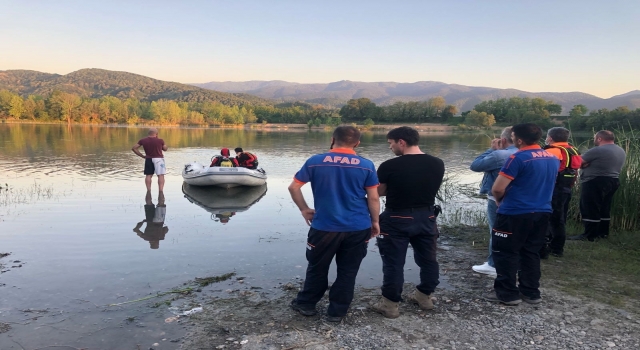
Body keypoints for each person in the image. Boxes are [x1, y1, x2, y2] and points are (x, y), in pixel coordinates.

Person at [288, 126, 380, 322]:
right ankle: (336, 312)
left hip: (324, 227)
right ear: (357, 143)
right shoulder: (366, 165)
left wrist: (304, 209)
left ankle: (306, 304)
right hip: (357, 226)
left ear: (333, 139)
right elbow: (373, 198)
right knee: (348, 270)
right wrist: (375, 221)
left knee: (317, 266)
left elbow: (294, 187)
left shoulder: (315, 161)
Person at [370, 126, 445, 319]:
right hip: (427, 217)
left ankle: (390, 305)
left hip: (397, 218)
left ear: (401, 142)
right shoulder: (438, 163)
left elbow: (379, 192)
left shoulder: (389, 166)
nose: (390, 148)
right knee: (428, 260)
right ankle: (424, 296)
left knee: (394, 263)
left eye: (391, 143)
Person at [487, 123, 558, 305]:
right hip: (542, 212)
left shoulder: (517, 158)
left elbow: (497, 188)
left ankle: (507, 294)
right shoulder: (551, 157)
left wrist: (499, 200)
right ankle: (531, 292)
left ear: (518, 139)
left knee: (505, 252)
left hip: (514, 212)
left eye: (512, 136)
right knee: (531, 252)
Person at [469, 127, 516, 276]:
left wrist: (493, 150)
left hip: (498, 199)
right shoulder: (523, 153)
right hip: (520, 200)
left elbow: (475, 165)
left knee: (496, 231)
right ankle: (513, 262)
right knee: (513, 232)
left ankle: (493, 264)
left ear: (503, 140)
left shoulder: (500, 154)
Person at [569, 130, 626, 241]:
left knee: (590, 207)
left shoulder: (598, 150)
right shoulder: (620, 149)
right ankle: (603, 233)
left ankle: (589, 235)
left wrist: (585, 165)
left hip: (595, 181)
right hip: (613, 180)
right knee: (604, 207)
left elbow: (577, 163)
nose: (594, 139)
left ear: (599, 138)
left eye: (595, 137)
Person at [540, 127, 582, 257]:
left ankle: (547, 247)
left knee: (548, 218)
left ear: (550, 138)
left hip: (553, 189)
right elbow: (575, 171)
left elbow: (542, 169)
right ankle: (557, 247)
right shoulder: (573, 150)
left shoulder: (552, 151)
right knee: (560, 218)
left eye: (547, 137)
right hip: (566, 188)